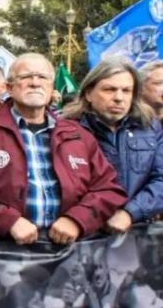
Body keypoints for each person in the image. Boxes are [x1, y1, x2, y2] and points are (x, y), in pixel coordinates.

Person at [0, 53, 127, 245]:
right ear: (9, 88)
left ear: (51, 88)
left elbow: (108, 188)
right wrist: (8, 220)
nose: (35, 83)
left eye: (43, 77)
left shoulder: (79, 135)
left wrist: (77, 219)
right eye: (26, 77)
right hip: (3, 251)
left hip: (70, 254)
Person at [62, 58, 163, 231]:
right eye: (109, 89)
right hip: (81, 234)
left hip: (137, 233)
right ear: (88, 93)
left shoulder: (149, 127)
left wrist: (130, 213)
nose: (118, 98)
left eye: (126, 91)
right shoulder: (66, 129)